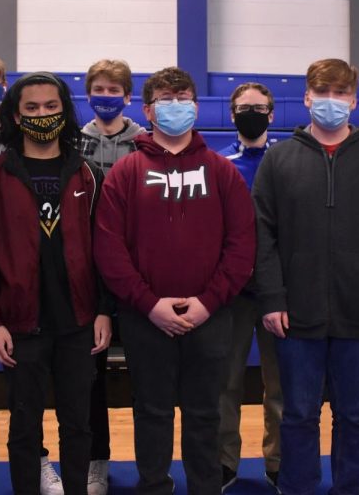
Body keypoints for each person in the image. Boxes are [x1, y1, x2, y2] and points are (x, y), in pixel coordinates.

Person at [253, 58, 359, 495]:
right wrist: (271, 298)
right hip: (295, 316)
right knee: (298, 414)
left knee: (355, 415)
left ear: (355, 101)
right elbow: (261, 235)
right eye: (322, 92)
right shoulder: (279, 160)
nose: (331, 101)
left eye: (340, 93)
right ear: (306, 98)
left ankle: (349, 488)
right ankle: (298, 487)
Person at [94, 67, 257, 495]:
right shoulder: (125, 173)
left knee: (206, 413)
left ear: (197, 107)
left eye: (183, 97)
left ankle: (205, 487)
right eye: (166, 99)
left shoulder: (222, 172)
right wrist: (149, 304)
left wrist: (209, 302)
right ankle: (154, 486)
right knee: (152, 411)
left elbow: (242, 246)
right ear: (147, 110)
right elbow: (110, 250)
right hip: (145, 318)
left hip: (211, 315)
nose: (176, 106)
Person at [0, 71, 110, 495]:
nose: (42, 115)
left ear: (64, 111)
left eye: (51, 107)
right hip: (19, 325)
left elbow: (105, 249)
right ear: (15, 116)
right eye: (31, 108)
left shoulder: (88, 174)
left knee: (78, 424)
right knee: (23, 427)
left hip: (78, 323)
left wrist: (105, 309)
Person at [78, 59, 145, 495]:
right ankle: (95, 460)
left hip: (137, 275)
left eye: (114, 89)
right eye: (99, 88)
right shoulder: (72, 143)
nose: (107, 95)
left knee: (147, 378)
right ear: (89, 94)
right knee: (90, 378)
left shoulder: (145, 142)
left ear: (127, 94)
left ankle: (152, 463)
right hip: (87, 276)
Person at [217, 83, 282, 493]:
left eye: (259, 107)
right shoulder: (220, 164)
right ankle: (225, 463)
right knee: (226, 383)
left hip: (279, 292)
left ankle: (278, 463)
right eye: (244, 108)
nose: (252, 113)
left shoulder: (288, 160)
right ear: (232, 114)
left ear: (272, 114)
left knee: (281, 386)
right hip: (233, 294)